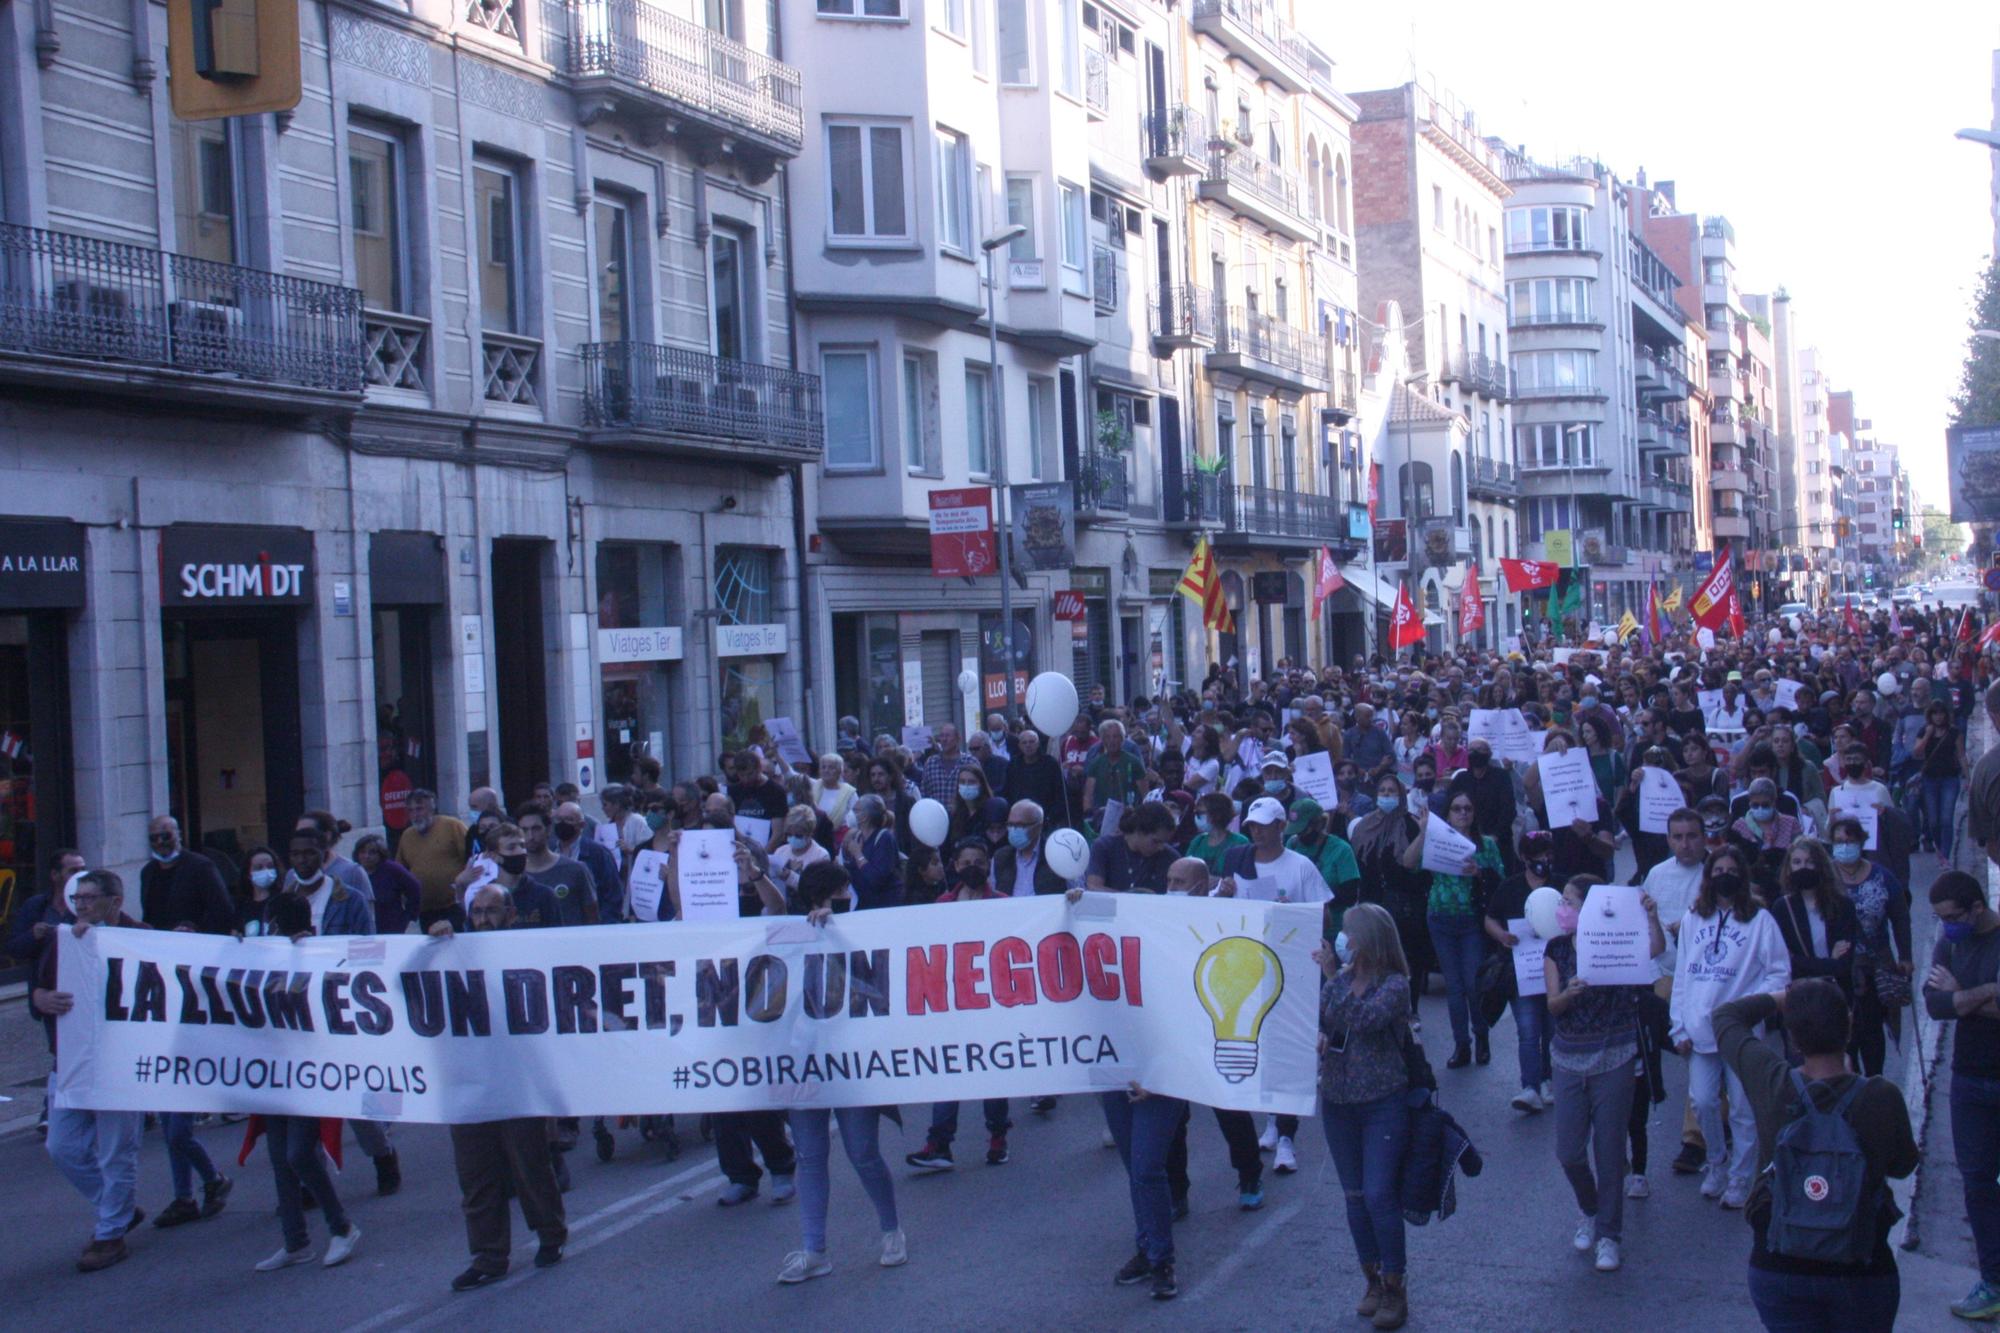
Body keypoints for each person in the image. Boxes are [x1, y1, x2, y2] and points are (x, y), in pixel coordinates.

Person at [1715, 979, 1917, 1332]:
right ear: (1849, 1026)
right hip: (1862, 1268)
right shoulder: (1881, 1096)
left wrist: (1782, 999)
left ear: (1793, 1039)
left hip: (1779, 1265)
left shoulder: (1771, 1080)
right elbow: (1903, 1165)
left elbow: (1725, 1017)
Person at [429, 885, 568, 1290]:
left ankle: (550, 1234)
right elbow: (405, 985)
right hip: (468, 1080)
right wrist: (430, 944)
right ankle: (489, 1256)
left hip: (520, 1081)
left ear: (511, 914)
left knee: (530, 1164)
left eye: (492, 910)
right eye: (476, 911)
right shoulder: (452, 953)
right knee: (476, 1173)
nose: (483, 918)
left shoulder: (529, 951)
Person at [771, 861, 906, 1281]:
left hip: (851, 1060)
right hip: (804, 1060)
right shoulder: (794, 932)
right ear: (820, 898)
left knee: (863, 1152)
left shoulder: (864, 927)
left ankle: (891, 1231)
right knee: (810, 1156)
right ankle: (815, 1250)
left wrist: (841, 932)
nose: (849, 896)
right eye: (841, 892)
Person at [1544, 874, 1664, 1273]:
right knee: (1569, 1152)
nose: (1564, 909)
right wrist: (1569, 993)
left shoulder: (1621, 940)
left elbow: (1655, 951)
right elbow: (1553, 1005)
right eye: (1563, 901)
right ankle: (1589, 1209)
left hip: (1614, 1054)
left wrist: (1650, 918)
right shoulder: (1557, 948)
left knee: (1610, 1153)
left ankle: (1609, 1234)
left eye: (1571, 902)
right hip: (1568, 1057)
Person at [33, 869, 148, 1271]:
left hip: (122, 1064)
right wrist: (43, 998)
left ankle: (110, 1233)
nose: (79, 905)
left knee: (117, 1150)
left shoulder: (143, 938)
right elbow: (39, 989)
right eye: (76, 898)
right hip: (71, 1060)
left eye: (88, 898)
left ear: (114, 902)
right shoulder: (64, 940)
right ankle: (116, 1207)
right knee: (62, 1146)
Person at [1671, 846, 1792, 1211]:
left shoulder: (1760, 920)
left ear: (1742, 875)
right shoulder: (1694, 917)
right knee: (1704, 1101)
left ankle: (1741, 1177)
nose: (1725, 875)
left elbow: (1779, 973)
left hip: (1739, 1031)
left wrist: (1747, 1006)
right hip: (1699, 1028)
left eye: (1731, 869)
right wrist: (1679, 1025)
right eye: (1718, 869)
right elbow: (1682, 974)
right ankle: (1717, 1162)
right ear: (1709, 876)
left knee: (1742, 1107)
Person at [250, 891, 363, 1273]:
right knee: (281, 1159)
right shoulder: (265, 956)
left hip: (310, 1072)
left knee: (299, 1153)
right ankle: (295, 1241)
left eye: (274, 923)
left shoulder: (320, 954)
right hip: (276, 1070)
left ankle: (342, 1226)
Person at [1317, 903, 1414, 1330]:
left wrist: (1330, 978)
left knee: (1378, 1195)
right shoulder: (1338, 983)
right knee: (1354, 1196)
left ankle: (1396, 1285)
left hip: (1381, 1102)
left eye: (1350, 933)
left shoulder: (1394, 985)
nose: (1343, 938)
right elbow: (1326, 1021)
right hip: (1338, 1102)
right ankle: (1372, 1279)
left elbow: (1365, 1019)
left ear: (1368, 940)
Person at [1924, 869, 2000, 1321]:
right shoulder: (1950, 943)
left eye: (1952, 916)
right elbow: (1934, 1004)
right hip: (1968, 1079)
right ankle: (1993, 1280)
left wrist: (1963, 997)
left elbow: (1952, 1001)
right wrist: (1990, 991)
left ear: (1977, 907)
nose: (1946, 925)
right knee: (1976, 1183)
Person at [907, 845, 1013, 1172]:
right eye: (965, 862)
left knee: (991, 1071)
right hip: (952, 999)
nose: (972, 867)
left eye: (978, 862)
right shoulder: (942, 905)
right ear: (955, 866)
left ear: (989, 865)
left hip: (990, 999)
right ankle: (939, 1143)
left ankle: (997, 1136)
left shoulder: (1005, 905)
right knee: (949, 1070)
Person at [1401, 788, 1502, 1069]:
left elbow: (1501, 877)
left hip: (1471, 920)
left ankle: (1481, 1035)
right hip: (1441, 918)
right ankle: (1461, 1044)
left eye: (1467, 809)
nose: (1462, 814)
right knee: (1454, 986)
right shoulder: (1436, 839)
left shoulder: (1486, 845)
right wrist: (1423, 833)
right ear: (1447, 814)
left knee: (1472, 983)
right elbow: (1408, 863)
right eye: (1457, 809)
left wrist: (1479, 872)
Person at [1830, 814, 1912, 1078]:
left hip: (1875, 967)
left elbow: (1900, 917)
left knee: (1872, 1030)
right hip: (1839, 970)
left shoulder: (1882, 876)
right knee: (1846, 1034)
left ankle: (1875, 1081)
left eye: (1849, 840)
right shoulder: (1826, 878)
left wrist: (1906, 956)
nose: (1844, 845)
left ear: (1861, 842)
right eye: (1838, 841)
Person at [1487, 830, 1560, 1112]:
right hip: (1523, 973)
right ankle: (1529, 1086)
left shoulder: (1560, 885)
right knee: (1528, 1030)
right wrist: (1503, 936)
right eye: (1538, 855)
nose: (1544, 860)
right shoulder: (1510, 888)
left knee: (1552, 1029)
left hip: (1555, 972)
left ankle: (1549, 1080)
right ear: (1525, 858)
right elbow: (1490, 919)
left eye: (1548, 855)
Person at [1771, 839, 1859, 1012]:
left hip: (1837, 997)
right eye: (1797, 862)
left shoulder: (1843, 906)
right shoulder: (1782, 908)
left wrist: (1801, 961)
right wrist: (1828, 962)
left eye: (1810, 862)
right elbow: (1786, 962)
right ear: (1789, 867)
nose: (1803, 867)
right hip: (1800, 999)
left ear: (1820, 866)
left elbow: (1842, 965)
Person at [138, 815, 233, 934]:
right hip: (159, 945)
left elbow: (222, 911)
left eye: (166, 836)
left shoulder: (201, 867)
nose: (160, 842)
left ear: (179, 835)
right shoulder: (147, 872)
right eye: (153, 838)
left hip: (194, 944)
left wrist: (194, 928)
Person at [397, 789, 471, 930]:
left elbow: (471, 859)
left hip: (455, 906)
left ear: (432, 808)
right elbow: (401, 871)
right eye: (411, 811)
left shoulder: (452, 826)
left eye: (420, 809)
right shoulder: (407, 836)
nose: (415, 815)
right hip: (425, 910)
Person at [1912, 698, 1967, 866]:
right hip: (1930, 779)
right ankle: (1938, 845)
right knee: (1933, 820)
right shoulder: (1924, 731)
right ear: (1930, 715)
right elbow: (1917, 752)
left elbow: (1961, 755)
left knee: (1946, 818)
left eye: (1941, 713)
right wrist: (1928, 735)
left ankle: (1945, 855)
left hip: (1949, 778)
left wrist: (1968, 778)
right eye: (1935, 714)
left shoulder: (1954, 732)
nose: (1938, 717)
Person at [550, 800, 623, 924]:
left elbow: (613, 896)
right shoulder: (550, 851)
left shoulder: (598, 854)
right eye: (558, 819)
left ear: (581, 825)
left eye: (568, 820)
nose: (562, 824)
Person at [1085, 803, 1178, 892]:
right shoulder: (1104, 847)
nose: (1161, 848)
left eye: (1164, 842)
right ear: (1139, 831)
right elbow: (1093, 887)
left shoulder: (1170, 857)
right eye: (1156, 841)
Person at [992, 799, 1067, 896]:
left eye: (1020, 825)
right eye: (1010, 825)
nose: (1014, 830)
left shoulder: (1057, 855)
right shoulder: (1000, 858)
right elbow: (993, 897)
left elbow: (1077, 892)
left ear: (1039, 827)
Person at [840, 794, 902, 909]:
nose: (851, 813)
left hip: (885, 905)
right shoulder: (856, 837)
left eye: (856, 810)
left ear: (865, 816)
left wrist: (858, 854)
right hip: (863, 903)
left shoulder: (885, 838)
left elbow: (876, 879)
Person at [352, 833, 421, 936]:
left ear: (380, 854)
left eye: (372, 852)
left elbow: (415, 888)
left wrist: (408, 917)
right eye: (362, 852)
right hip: (362, 929)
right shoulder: (354, 872)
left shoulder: (392, 869)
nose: (366, 856)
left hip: (391, 928)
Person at [1187, 792, 1249, 874]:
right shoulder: (1198, 841)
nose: (1196, 817)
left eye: (1199, 813)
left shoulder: (1239, 842)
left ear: (1216, 814)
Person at [810, 752, 857, 829]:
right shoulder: (814, 785)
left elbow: (856, 817)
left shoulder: (849, 792)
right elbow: (791, 774)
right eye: (823, 767)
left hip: (841, 837)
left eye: (831, 767)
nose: (826, 770)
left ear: (840, 771)